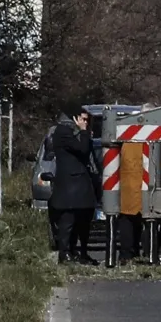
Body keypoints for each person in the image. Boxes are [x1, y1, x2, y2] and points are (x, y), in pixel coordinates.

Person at [50, 106, 100, 265]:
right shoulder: (63, 132)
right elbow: (82, 149)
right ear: (75, 118)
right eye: (83, 119)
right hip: (70, 186)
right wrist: (84, 132)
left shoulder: (76, 133)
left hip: (82, 185)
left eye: (87, 120)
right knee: (68, 221)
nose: (85, 123)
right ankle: (65, 254)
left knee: (83, 221)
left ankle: (80, 252)